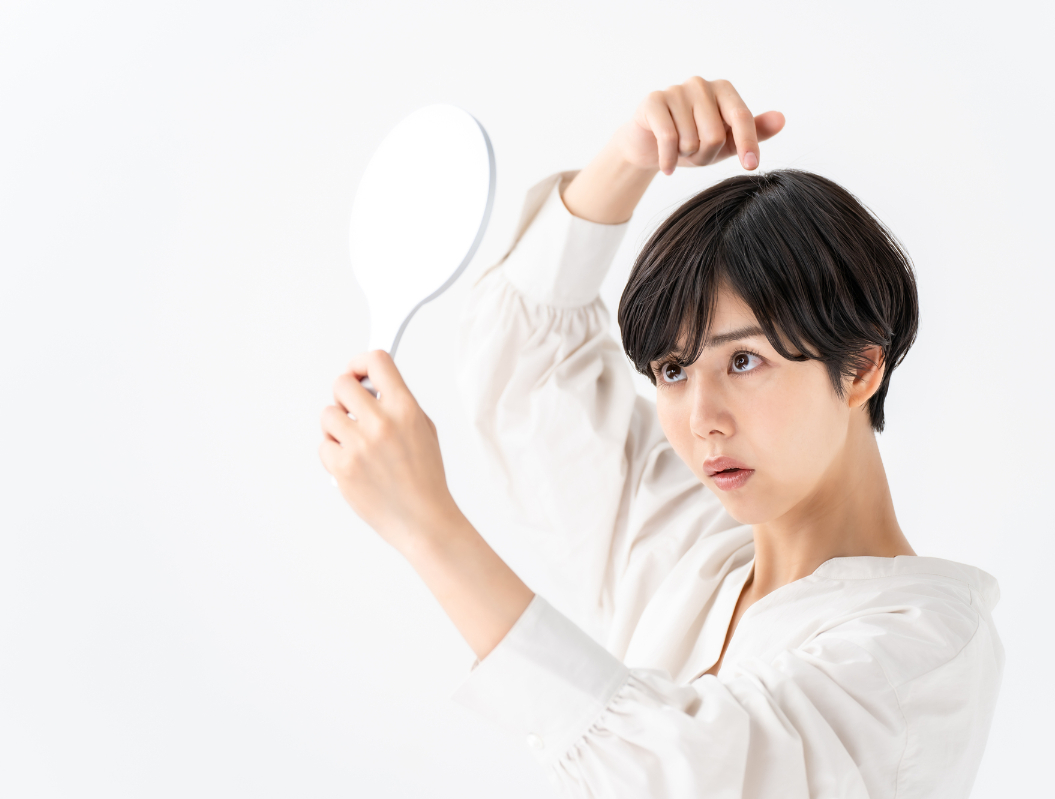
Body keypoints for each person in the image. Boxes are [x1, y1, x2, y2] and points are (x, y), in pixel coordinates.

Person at [319, 77, 1004, 798]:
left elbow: (683, 772)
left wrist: (427, 527)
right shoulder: (686, 557)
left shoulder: (922, 648)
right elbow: (526, 367)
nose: (702, 417)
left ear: (860, 368)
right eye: (673, 370)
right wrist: (632, 157)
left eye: (744, 361)